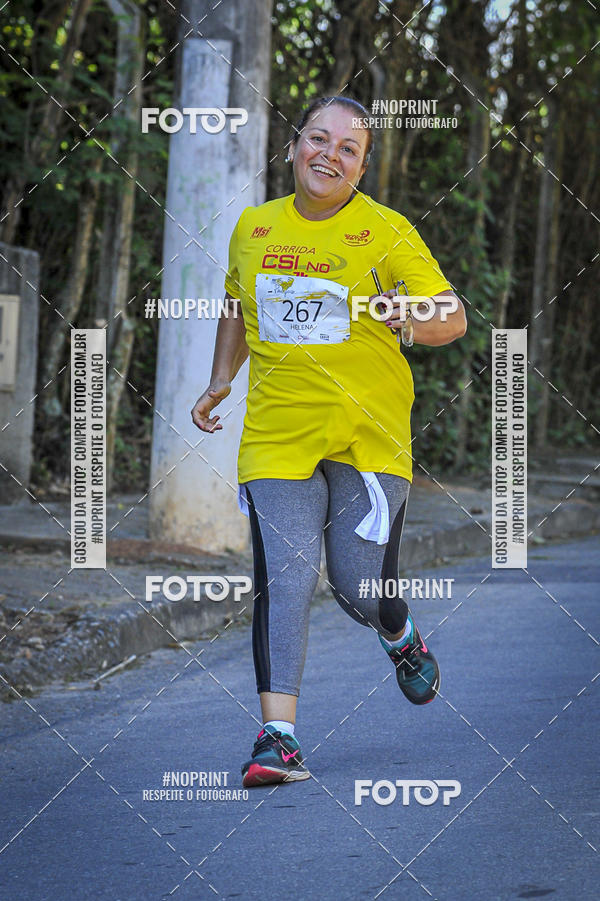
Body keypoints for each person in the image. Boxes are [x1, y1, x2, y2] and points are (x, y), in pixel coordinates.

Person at [191, 95, 467, 788]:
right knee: (284, 577)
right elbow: (235, 301)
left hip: (367, 436)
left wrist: (411, 313)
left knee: (357, 584)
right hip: (278, 433)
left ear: (364, 165)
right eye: (319, 139)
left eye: (348, 148)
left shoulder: (387, 231)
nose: (329, 154)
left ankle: (398, 633)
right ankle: (276, 739)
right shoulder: (254, 228)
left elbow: (453, 316)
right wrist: (221, 378)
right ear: (293, 147)